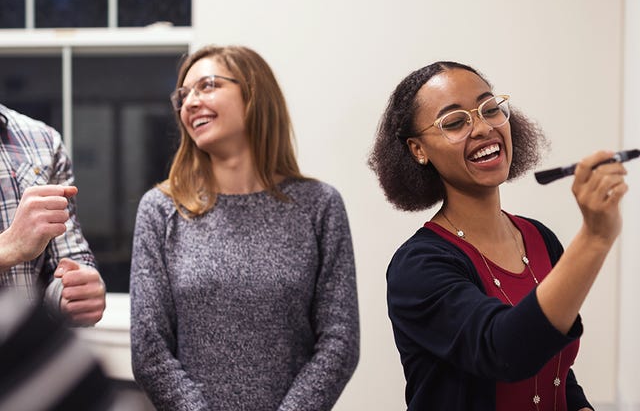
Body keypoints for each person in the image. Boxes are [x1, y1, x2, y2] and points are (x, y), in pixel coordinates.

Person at [368, 61, 625, 411]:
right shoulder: (417, 267)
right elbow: (506, 351)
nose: (483, 127)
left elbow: (558, 370)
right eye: (455, 122)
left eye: (490, 109)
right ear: (418, 150)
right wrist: (594, 237)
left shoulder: (540, 238)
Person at [130, 44, 359, 410]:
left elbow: (339, 342)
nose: (190, 103)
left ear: (253, 94)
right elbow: (149, 350)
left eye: (207, 86)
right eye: (184, 95)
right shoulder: (160, 210)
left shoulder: (320, 205)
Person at [0, 105, 106, 326]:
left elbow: (66, 258)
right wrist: (7, 248)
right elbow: (12, 246)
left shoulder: (42, 141)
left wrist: (74, 291)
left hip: (29, 353)